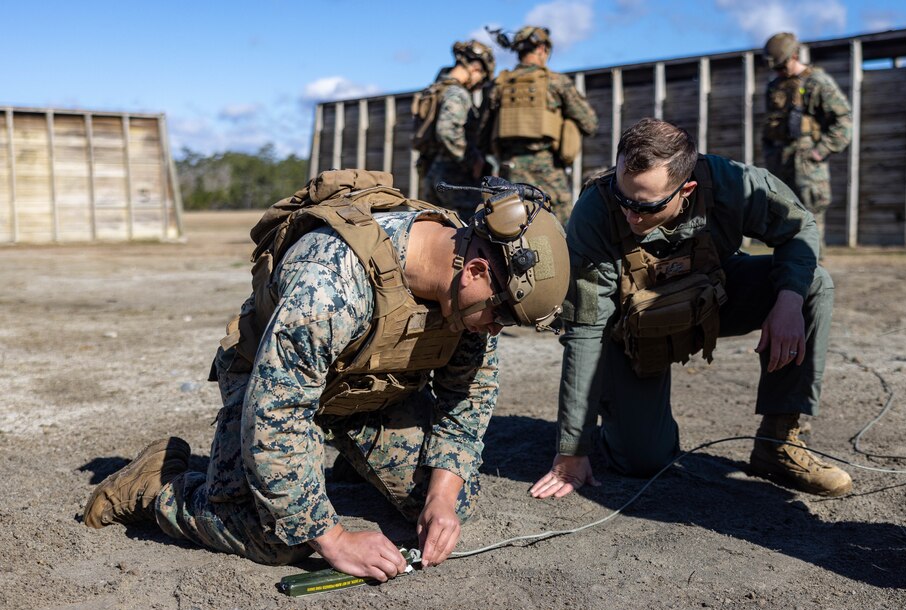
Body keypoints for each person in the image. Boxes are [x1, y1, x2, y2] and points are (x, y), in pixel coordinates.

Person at [83, 170, 569, 581]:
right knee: (278, 541)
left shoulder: (468, 295)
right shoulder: (332, 279)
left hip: (370, 393)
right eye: (498, 317)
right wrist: (333, 538)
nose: (495, 329)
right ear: (477, 270)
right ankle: (156, 485)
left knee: (449, 508)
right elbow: (276, 412)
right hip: (274, 394)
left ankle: (343, 461)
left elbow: (469, 397)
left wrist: (442, 495)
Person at [530, 118, 852, 502]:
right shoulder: (595, 211)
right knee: (643, 461)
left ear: (687, 189)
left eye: (645, 206)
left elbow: (798, 229)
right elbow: (585, 329)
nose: (631, 215)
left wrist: (789, 301)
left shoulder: (734, 185)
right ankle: (620, 417)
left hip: (710, 301)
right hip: (631, 333)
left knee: (812, 283)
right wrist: (572, 449)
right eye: (624, 198)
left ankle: (777, 442)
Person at [486, 25, 598, 224]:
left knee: (509, 229)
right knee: (564, 231)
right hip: (547, 170)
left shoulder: (499, 85)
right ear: (541, 49)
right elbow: (590, 123)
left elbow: (482, 133)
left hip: (508, 170)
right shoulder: (556, 82)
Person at [761, 32, 852, 255]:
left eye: (782, 66)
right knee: (781, 217)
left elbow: (844, 122)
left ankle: (812, 276)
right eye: (775, 68)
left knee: (810, 221)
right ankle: (786, 275)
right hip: (780, 163)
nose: (778, 72)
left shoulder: (817, 82)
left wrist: (820, 151)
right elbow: (769, 125)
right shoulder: (774, 86)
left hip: (807, 166)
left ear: (794, 56)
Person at [414, 40, 495, 221]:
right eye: (480, 79)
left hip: (431, 173)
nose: (477, 85)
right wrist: (472, 160)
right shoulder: (457, 93)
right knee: (468, 233)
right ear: (475, 69)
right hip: (454, 177)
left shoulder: (433, 91)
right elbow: (447, 130)